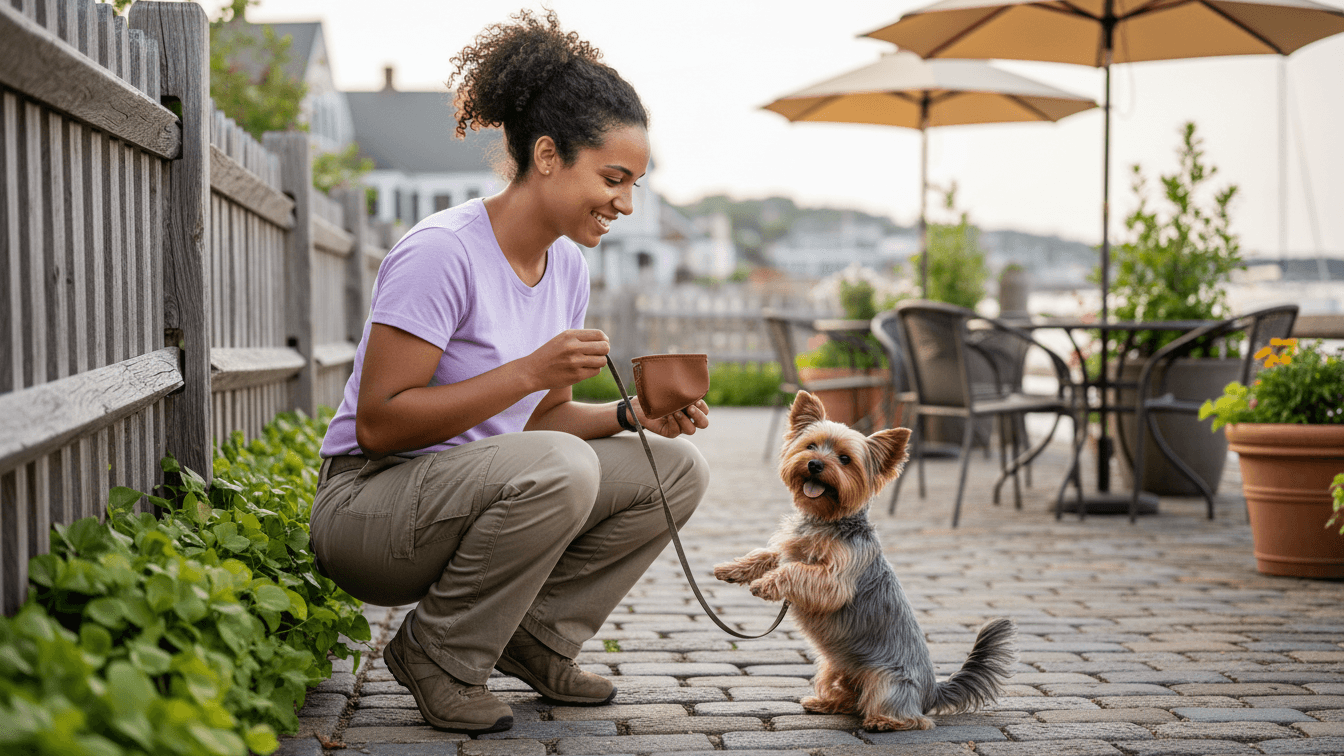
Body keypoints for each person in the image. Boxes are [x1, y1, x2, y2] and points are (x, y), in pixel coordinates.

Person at [308, 10, 711, 735]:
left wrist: (631, 417)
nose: (625, 202)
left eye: (634, 184)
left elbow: (546, 423)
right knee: (561, 466)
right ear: (549, 155)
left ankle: (537, 637)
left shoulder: (566, 267)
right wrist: (528, 370)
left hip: (467, 493)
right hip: (368, 508)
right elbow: (378, 422)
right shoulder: (441, 252)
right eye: (613, 178)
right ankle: (437, 655)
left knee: (674, 466)